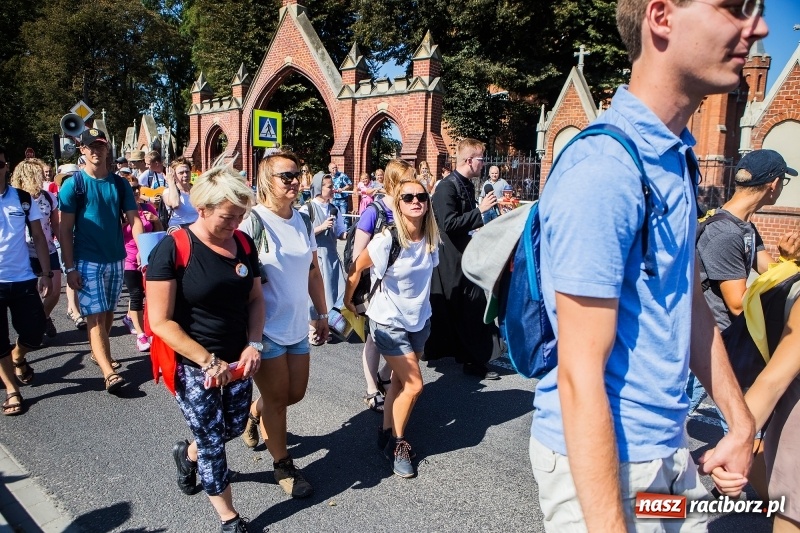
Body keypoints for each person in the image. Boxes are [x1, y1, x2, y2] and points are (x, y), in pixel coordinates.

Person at [529, 1, 765, 531]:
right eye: (731, 8)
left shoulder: (675, 154)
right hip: (607, 465)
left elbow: (686, 302)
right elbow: (579, 374)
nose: (758, 26)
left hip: (669, 454)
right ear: (661, 17)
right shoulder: (605, 167)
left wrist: (739, 419)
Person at [146, 167, 263, 533]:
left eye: (241, 215)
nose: (236, 223)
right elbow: (160, 321)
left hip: (239, 361)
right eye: (229, 216)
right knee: (213, 442)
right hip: (194, 365)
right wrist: (207, 361)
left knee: (232, 427)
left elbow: (255, 299)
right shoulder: (173, 248)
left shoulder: (243, 243)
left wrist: (254, 344)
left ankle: (188, 454)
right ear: (203, 209)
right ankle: (229, 519)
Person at [696, 149, 800, 531]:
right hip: (724, 347)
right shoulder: (723, 232)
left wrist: (787, 262)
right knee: (743, 431)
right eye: (783, 182)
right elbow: (739, 303)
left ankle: (773, 500)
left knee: (751, 431)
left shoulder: (745, 229)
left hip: (745, 346)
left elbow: (770, 276)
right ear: (773, 184)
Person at [237, 151, 329, 499]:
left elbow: (312, 271)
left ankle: (253, 412)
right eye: (286, 176)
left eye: (297, 174)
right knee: (277, 399)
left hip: (296, 326)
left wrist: (321, 314)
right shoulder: (251, 222)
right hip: (264, 329)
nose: (295, 181)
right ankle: (283, 465)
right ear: (266, 180)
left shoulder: (303, 220)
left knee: (294, 393)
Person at [345, 175, 440, 478]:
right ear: (398, 204)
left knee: (399, 382)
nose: (416, 202)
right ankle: (398, 444)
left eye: (421, 197)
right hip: (387, 322)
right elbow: (356, 268)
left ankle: (385, 432)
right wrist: (349, 301)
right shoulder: (388, 239)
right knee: (415, 385)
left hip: (419, 321)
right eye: (408, 197)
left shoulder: (431, 239)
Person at [59, 128, 143, 394]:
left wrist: (143, 250)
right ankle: (109, 373)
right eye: (91, 147)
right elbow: (64, 230)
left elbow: (135, 219)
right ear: (82, 150)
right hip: (87, 260)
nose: (96, 151)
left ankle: (99, 353)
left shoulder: (119, 184)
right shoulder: (74, 185)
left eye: (101, 146)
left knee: (107, 312)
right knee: (94, 316)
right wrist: (70, 267)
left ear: (107, 149)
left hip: (116, 259)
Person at [424, 138, 501, 380]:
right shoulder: (447, 187)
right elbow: (448, 223)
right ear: (469, 160)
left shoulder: (466, 184)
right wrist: (480, 211)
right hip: (450, 260)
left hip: (464, 256)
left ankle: (474, 357)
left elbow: (463, 222)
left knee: (471, 308)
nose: (483, 164)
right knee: (466, 309)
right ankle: (472, 359)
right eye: (481, 159)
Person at [0, 146, 53, 414]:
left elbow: (39, 237)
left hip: (22, 277)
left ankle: (18, 356)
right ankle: (12, 390)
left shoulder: (21, 198)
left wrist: (45, 273)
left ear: (6, 166)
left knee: (35, 331)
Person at [350, 160, 405, 413]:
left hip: (402, 290)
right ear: (394, 183)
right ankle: (372, 389)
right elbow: (357, 257)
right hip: (377, 288)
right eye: (406, 180)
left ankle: (384, 375)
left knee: (403, 337)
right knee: (374, 338)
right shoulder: (374, 212)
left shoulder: (408, 208)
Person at [10, 159, 61, 340]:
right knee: (30, 296)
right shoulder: (15, 199)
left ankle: (42, 318)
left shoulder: (49, 197)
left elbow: (56, 225)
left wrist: (66, 246)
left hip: (48, 248)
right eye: (38, 174)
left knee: (55, 291)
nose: (42, 177)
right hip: (24, 252)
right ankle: (35, 327)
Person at [299, 172, 347, 343]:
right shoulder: (307, 209)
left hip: (331, 256)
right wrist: (321, 227)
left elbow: (340, 232)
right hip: (315, 256)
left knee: (333, 291)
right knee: (315, 293)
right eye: (329, 186)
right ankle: (312, 327)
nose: (333, 189)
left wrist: (349, 235)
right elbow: (302, 234)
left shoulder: (334, 209)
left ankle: (328, 326)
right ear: (319, 187)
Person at [120, 176, 162, 352]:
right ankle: (140, 335)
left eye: (137, 188)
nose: (135, 192)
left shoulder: (147, 208)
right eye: (131, 189)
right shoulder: (119, 211)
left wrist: (156, 220)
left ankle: (130, 317)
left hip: (147, 258)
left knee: (147, 294)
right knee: (136, 294)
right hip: (128, 259)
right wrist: (122, 223)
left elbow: (159, 232)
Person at [163, 159, 199, 230]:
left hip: (196, 229)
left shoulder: (196, 190)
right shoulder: (168, 192)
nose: (185, 175)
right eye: (181, 173)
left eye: (187, 172)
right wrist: (171, 181)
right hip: (179, 230)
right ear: (174, 175)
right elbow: (175, 204)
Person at [328, 162, 352, 228]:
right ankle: (335, 230)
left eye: (335, 167)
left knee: (344, 216)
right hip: (333, 199)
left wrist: (342, 189)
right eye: (333, 168)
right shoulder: (328, 177)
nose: (334, 169)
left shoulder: (342, 175)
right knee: (334, 216)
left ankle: (345, 230)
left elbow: (350, 184)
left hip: (342, 199)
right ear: (329, 169)